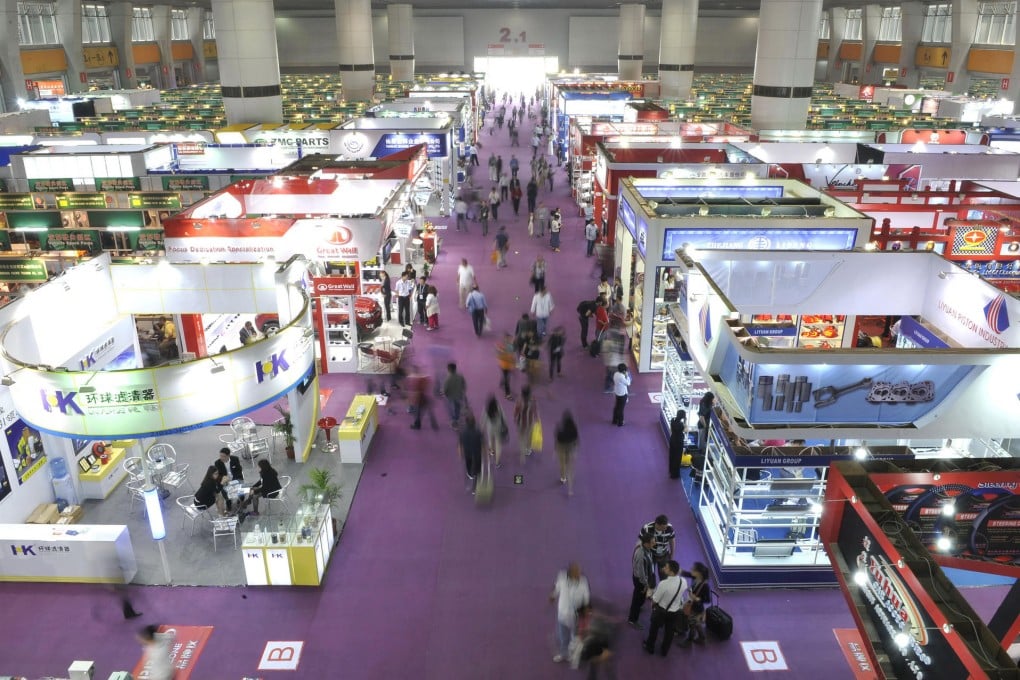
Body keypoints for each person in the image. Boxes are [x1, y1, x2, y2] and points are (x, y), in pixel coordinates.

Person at [643, 560, 687, 657]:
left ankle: (650, 647)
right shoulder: (683, 581)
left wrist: (652, 605)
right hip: (675, 612)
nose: (663, 568)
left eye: (666, 567)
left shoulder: (664, 584)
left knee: (654, 629)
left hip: (661, 611)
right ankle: (664, 651)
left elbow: (655, 599)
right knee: (669, 632)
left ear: (671, 572)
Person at [550, 562, 590, 664]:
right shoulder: (562, 577)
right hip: (562, 614)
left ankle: (574, 656)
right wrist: (553, 596)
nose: (579, 573)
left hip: (575, 616)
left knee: (575, 638)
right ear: (570, 573)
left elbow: (586, 597)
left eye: (579, 571)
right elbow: (557, 587)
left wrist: (586, 609)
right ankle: (564, 654)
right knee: (562, 636)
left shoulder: (583, 581)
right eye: (577, 572)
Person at [628, 531, 657, 628]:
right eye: (652, 542)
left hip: (643, 579)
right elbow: (641, 572)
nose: (654, 543)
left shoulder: (645, 549)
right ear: (646, 543)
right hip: (640, 581)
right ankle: (632, 619)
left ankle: (638, 606)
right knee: (637, 598)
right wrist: (646, 584)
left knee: (640, 597)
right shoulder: (641, 555)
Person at [679, 562, 711, 645]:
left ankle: (689, 640)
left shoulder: (705, 586)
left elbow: (708, 600)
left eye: (693, 569)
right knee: (696, 623)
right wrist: (679, 571)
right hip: (693, 605)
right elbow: (687, 574)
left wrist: (697, 598)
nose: (691, 570)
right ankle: (702, 637)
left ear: (699, 573)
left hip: (696, 608)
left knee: (692, 624)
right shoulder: (695, 577)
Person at [554, 409, 578, 495]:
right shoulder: (574, 428)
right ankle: (570, 489)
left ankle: (563, 477)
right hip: (571, 448)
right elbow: (576, 439)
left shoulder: (560, 427)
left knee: (562, 464)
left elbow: (557, 438)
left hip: (562, 448)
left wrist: (555, 448)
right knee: (570, 467)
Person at [458, 413, 483, 493]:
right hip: (477, 454)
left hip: (467, 453)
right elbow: (483, 444)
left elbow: (460, 445)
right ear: (475, 422)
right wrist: (486, 453)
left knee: (468, 464)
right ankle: (475, 487)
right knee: (477, 470)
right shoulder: (478, 432)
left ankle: (469, 474)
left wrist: (460, 453)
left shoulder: (463, 432)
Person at [481, 394, 507, 469]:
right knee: (498, 445)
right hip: (498, 428)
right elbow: (503, 417)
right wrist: (505, 425)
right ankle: (497, 462)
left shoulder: (487, 409)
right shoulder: (498, 407)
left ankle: (492, 451)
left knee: (490, 440)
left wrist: (481, 429)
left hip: (490, 428)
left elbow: (483, 420)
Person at [514, 383, 538, 462]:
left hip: (521, 423)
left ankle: (522, 452)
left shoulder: (519, 401)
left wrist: (515, 418)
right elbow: (535, 410)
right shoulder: (533, 400)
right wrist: (536, 418)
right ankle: (528, 449)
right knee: (529, 436)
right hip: (530, 422)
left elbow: (516, 412)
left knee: (521, 437)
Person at [441, 362, 467, 428]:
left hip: (451, 397)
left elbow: (445, 389)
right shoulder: (460, 376)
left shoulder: (448, 379)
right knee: (458, 408)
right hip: (459, 395)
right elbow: (464, 385)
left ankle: (454, 422)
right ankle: (457, 419)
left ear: (449, 369)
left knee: (452, 409)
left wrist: (444, 394)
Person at [495, 333, 516, 400]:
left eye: (511, 339)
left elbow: (512, 356)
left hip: (508, 366)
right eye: (509, 339)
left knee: (506, 377)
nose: (511, 340)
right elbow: (498, 354)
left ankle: (502, 382)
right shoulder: (501, 346)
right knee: (507, 380)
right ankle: (508, 394)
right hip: (503, 366)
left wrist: (513, 364)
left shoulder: (511, 346)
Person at [668, 410, 687, 480]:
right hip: (678, 442)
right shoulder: (681, 424)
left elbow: (671, 430)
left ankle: (671, 470)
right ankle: (675, 473)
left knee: (672, 456)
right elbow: (686, 430)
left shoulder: (673, 420)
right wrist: (685, 421)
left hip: (673, 440)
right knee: (677, 457)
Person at [611, 363, 631, 427]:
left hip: (617, 392)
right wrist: (627, 376)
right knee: (621, 409)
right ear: (624, 370)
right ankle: (620, 422)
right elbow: (628, 383)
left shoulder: (615, 374)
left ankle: (614, 420)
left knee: (617, 407)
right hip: (622, 394)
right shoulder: (622, 377)